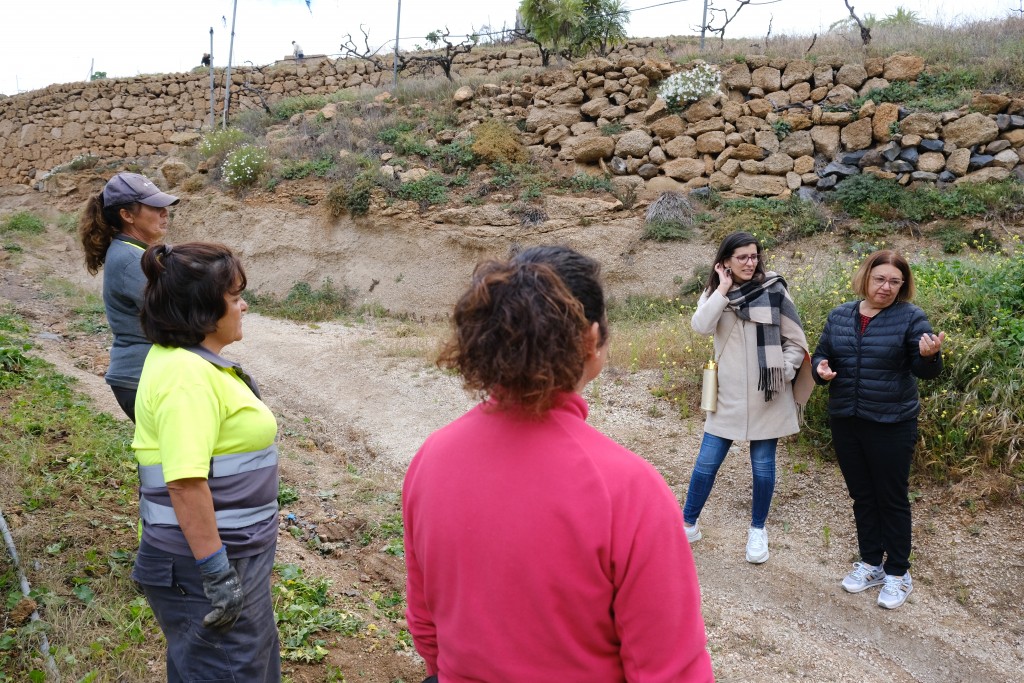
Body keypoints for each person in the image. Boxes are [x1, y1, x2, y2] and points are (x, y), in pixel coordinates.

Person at [403, 245, 713, 682]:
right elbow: (673, 670)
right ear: (591, 339)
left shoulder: (430, 459)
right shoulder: (629, 489)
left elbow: (426, 628)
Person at [130, 242, 281, 681]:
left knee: (235, 663)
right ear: (202, 309)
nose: (244, 306)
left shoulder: (189, 364)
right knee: (230, 668)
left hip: (230, 555)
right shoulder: (186, 378)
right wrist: (216, 573)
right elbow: (184, 482)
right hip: (208, 566)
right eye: (234, 297)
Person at [812, 250, 944, 610]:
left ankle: (899, 572)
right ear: (866, 277)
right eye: (880, 278)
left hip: (891, 423)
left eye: (894, 282)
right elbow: (822, 354)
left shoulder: (910, 317)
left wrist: (930, 355)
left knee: (891, 497)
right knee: (862, 495)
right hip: (847, 420)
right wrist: (820, 368)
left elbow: (923, 369)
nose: (886, 287)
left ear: (903, 286)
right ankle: (871, 563)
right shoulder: (840, 315)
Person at [682, 231, 813, 564]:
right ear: (724, 261)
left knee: (763, 468)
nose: (749, 262)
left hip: (768, 392)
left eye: (754, 256)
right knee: (706, 464)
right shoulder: (715, 292)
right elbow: (700, 326)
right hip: (727, 394)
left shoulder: (774, 289)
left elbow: (796, 340)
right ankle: (688, 523)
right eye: (741, 257)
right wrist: (723, 291)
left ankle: (757, 531)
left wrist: (782, 370)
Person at [79, 172, 179, 422]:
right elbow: (174, 316)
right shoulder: (131, 260)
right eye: (155, 206)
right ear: (127, 215)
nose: (164, 212)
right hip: (141, 378)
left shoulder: (133, 252)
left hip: (144, 376)